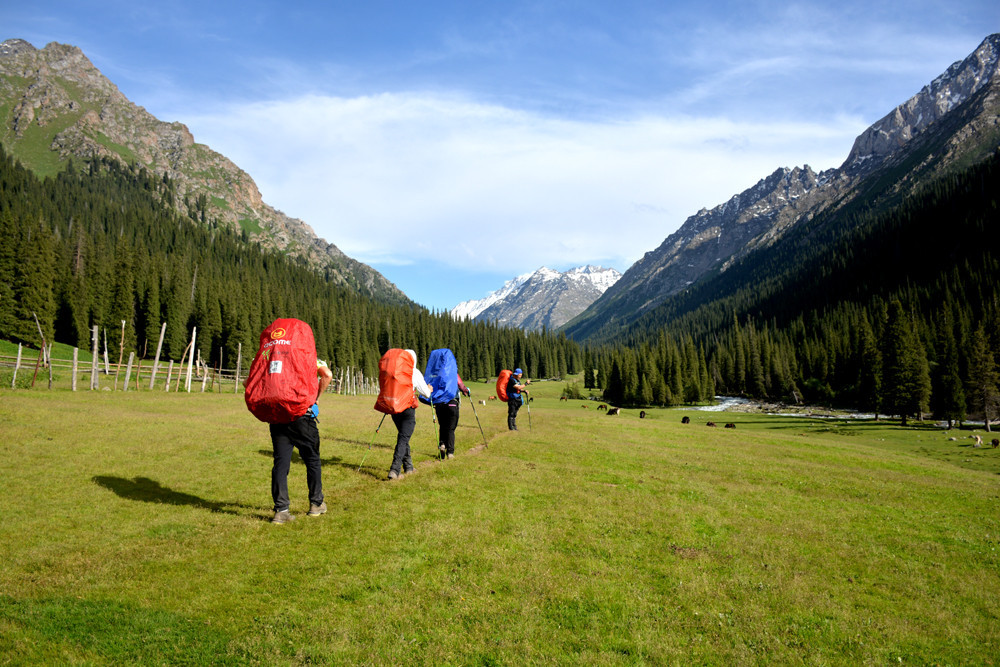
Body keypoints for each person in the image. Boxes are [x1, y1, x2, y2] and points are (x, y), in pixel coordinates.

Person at [268, 358, 333, 524]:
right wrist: (316, 398)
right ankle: (316, 503)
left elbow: (249, 382)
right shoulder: (307, 354)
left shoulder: (274, 356)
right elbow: (327, 374)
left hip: (278, 416)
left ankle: (281, 510)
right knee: (312, 461)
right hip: (303, 416)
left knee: (281, 464)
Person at [381, 349, 432, 480]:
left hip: (394, 409)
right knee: (403, 439)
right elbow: (426, 393)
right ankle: (394, 469)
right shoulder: (413, 372)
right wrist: (430, 389)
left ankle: (409, 468)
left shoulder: (394, 371)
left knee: (404, 437)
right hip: (408, 409)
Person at [435, 372, 472, 460]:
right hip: (452, 403)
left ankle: (442, 444)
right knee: (451, 428)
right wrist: (466, 391)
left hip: (439, 404)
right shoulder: (453, 373)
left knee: (442, 426)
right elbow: (461, 385)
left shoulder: (437, 373)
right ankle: (450, 452)